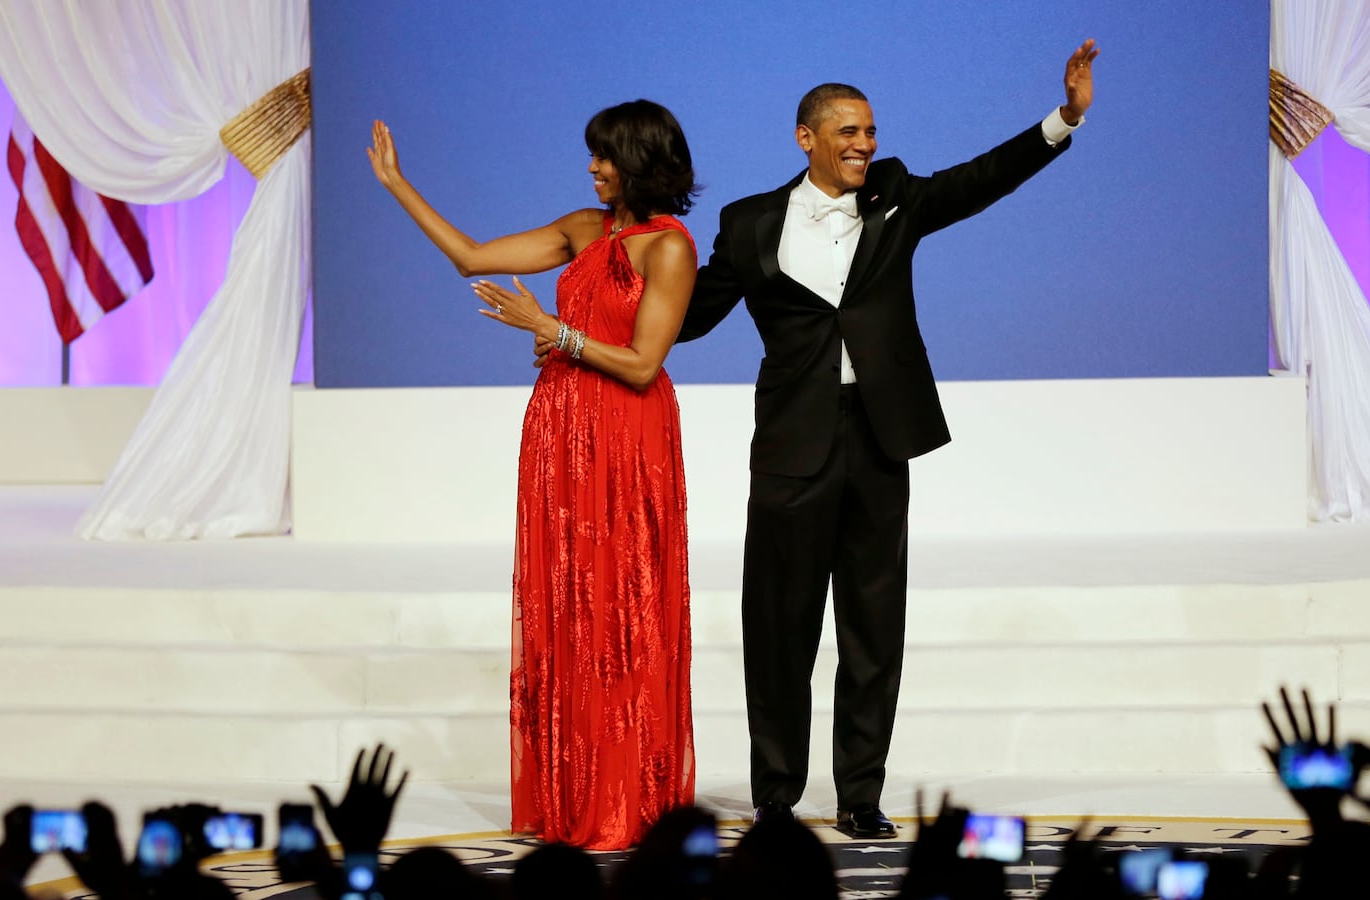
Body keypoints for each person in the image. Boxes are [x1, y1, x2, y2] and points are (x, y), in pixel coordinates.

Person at [673, 40, 1099, 838]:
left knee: (872, 625)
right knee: (779, 628)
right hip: (792, 446)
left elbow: (979, 182)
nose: (864, 144)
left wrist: (1063, 119)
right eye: (848, 132)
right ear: (807, 137)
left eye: (870, 130)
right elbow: (689, 318)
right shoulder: (748, 221)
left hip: (877, 437)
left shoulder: (897, 196)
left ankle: (860, 796)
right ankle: (775, 799)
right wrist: (596, 321)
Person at [367, 99, 700, 849]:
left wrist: (555, 333)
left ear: (640, 157)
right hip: (560, 432)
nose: (592, 168)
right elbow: (472, 257)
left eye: (604, 157)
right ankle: (573, 791)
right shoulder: (586, 228)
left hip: (624, 436)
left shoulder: (669, 249)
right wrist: (397, 183)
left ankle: (626, 798)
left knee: (619, 611)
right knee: (570, 608)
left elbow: (646, 365)